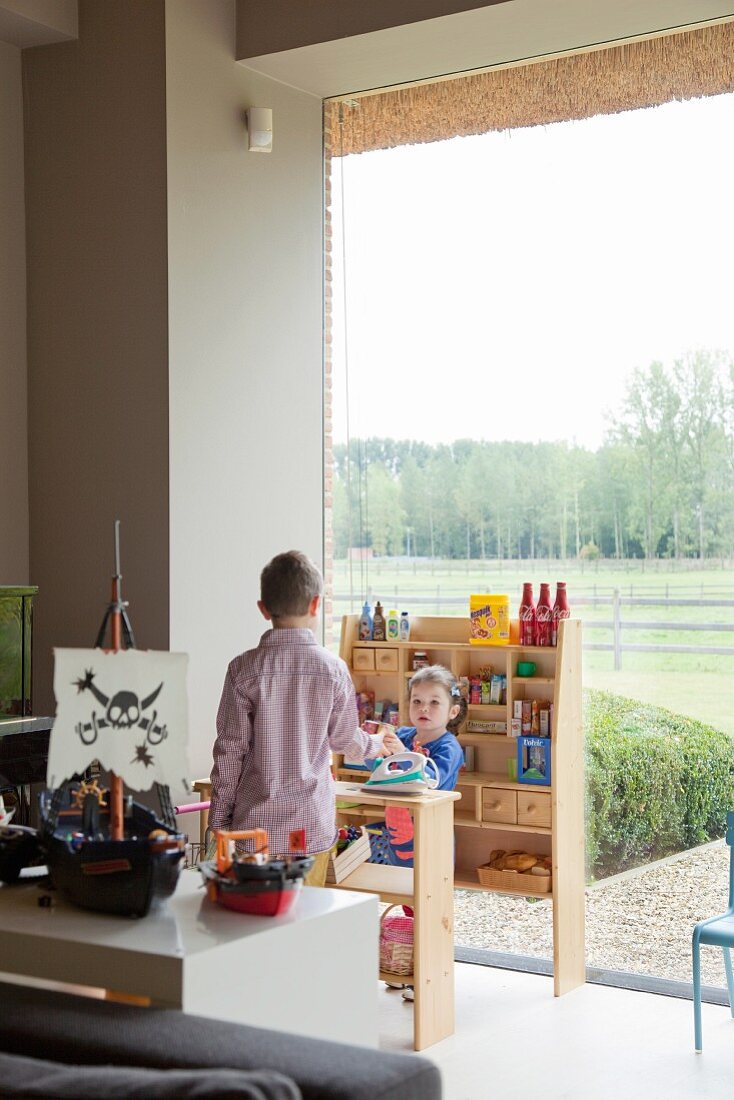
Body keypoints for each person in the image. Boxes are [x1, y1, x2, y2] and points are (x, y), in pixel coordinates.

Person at [207, 550, 386, 887]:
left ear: (263, 608)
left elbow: (229, 752)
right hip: (309, 828)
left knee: (255, 921)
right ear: (316, 605)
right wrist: (375, 745)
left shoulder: (243, 670)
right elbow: (345, 740)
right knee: (304, 919)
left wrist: (218, 820)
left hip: (254, 829)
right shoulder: (332, 670)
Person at [377, 664, 467, 1002]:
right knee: (405, 901)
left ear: (452, 711)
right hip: (398, 836)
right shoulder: (402, 736)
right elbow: (380, 772)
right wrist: (379, 748)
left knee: (427, 905)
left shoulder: (449, 746)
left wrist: (399, 755)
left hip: (430, 839)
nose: (423, 710)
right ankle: (405, 967)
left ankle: (428, 972)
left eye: (434, 703)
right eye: (417, 702)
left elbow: (431, 781)